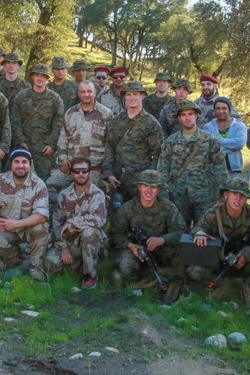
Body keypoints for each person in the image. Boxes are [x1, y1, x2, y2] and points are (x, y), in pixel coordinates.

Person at [192, 178, 250, 308]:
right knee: (193, 268)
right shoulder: (214, 213)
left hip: (245, 263)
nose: (238, 199)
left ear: (246, 199)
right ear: (226, 195)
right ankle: (222, 285)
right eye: (235, 194)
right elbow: (197, 228)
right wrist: (199, 233)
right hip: (218, 262)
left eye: (242, 196)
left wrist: (249, 252)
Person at [110, 169, 186, 303]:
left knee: (180, 252)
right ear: (139, 187)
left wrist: (162, 239)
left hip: (162, 250)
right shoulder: (127, 208)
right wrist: (130, 245)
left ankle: (175, 287)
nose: (149, 191)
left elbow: (181, 231)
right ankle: (139, 284)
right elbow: (115, 234)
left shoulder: (168, 207)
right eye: (145, 186)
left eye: (154, 187)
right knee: (125, 264)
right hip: (138, 252)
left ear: (159, 189)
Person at [0, 148, 51, 279]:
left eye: (24, 162)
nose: (20, 165)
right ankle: (17, 258)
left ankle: (36, 268)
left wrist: (15, 224)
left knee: (41, 229)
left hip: (28, 227)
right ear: (11, 164)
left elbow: (41, 216)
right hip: (6, 227)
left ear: (30, 165)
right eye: (17, 162)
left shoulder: (39, 185)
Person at [158, 102, 227, 228]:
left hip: (204, 195)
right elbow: (163, 168)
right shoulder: (171, 141)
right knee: (178, 232)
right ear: (179, 118)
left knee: (203, 232)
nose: (187, 117)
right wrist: (163, 193)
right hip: (178, 195)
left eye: (190, 114)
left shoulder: (209, 140)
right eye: (183, 115)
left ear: (196, 116)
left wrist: (222, 193)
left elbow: (220, 167)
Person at [47, 79, 114, 193]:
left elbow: (110, 144)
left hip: (93, 168)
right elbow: (63, 139)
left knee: (87, 194)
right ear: (78, 94)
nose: (86, 95)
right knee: (49, 186)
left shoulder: (106, 114)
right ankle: (61, 209)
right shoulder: (70, 113)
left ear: (95, 93)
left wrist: (106, 170)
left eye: (89, 91)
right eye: (83, 92)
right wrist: (63, 160)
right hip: (71, 166)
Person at [51, 156, 107, 289]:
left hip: (92, 242)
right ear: (72, 173)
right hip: (71, 243)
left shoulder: (98, 194)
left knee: (89, 231)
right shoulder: (63, 195)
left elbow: (99, 219)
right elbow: (56, 223)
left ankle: (90, 275)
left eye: (84, 170)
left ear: (89, 172)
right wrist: (63, 248)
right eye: (77, 171)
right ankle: (77, 265)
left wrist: (73, 223)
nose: (80, 174)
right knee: (49, 263)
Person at [103, 81, 164, 201]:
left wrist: (149, 180)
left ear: (142, 96)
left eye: (135, 94)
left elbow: (158, 153)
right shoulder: (116, 121)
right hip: (118, 179)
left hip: (140, 180)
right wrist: (109, 173)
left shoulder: (151, 123)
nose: (132, 98)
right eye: (128, 94)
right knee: (117, 215)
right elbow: (109, 147)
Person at [10, 63, 65, 180]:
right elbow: (15, 120)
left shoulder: (55, 99)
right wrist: (21, 141)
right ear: (32, 77)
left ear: (47, 78)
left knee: (45, 179)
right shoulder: (21, 96)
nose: (39, 78)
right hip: (24, 144)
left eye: (43, 76)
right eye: (37, 75)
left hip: (44, 147)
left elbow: (58, 123)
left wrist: (51, 144)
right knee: (18, 177)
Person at [202, 96, 247, 173]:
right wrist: (231, 146)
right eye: (218, 108)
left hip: (234, 170)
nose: (221, 111)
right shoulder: (208, 127)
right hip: (213, 172)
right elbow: (208, 148)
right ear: (214, 111)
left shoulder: (239, 126)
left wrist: (216, 141)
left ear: (229, 110)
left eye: (224, 108)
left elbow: (239, 144)